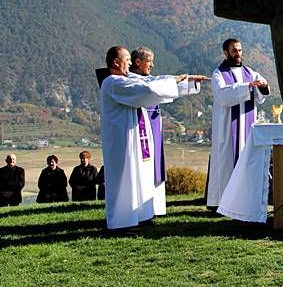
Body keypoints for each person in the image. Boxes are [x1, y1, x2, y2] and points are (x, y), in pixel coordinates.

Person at [99, 45, 190, 231]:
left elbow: (149, 83)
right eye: (127, 60)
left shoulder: (123, 79)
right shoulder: (113, 82)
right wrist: (174, 80)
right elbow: (147, 90)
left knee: (139, 178)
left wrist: (178, 83)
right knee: (125, 181)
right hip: (122, 142)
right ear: (116, 62)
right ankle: (122, 222)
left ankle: (140, 215)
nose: (131, 63)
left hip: (133, 139)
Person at [129, 46, 205, 216]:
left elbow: (164, 84)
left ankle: (155, 207)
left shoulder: (148, 79)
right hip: (141, 126)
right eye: (149, 61)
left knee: (155, 163)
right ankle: (142, 209)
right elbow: (159, 85)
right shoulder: (132, 81)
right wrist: (179, 80)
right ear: (138, 62)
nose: (152, 65)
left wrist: (191, 82)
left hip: (153, 124)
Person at [208, 38, 271, 209]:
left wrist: (263, 87)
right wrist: (247, 86)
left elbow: (262, 94)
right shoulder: (218, 74)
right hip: (227, 128)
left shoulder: (250, 72)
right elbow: (223, 96)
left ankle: (244, 200)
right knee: (225, 165)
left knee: (246, 163)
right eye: (234, 51)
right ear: (226, 53)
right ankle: (221, 203)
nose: (238, 54)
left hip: (247, 127)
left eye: (240, 50)